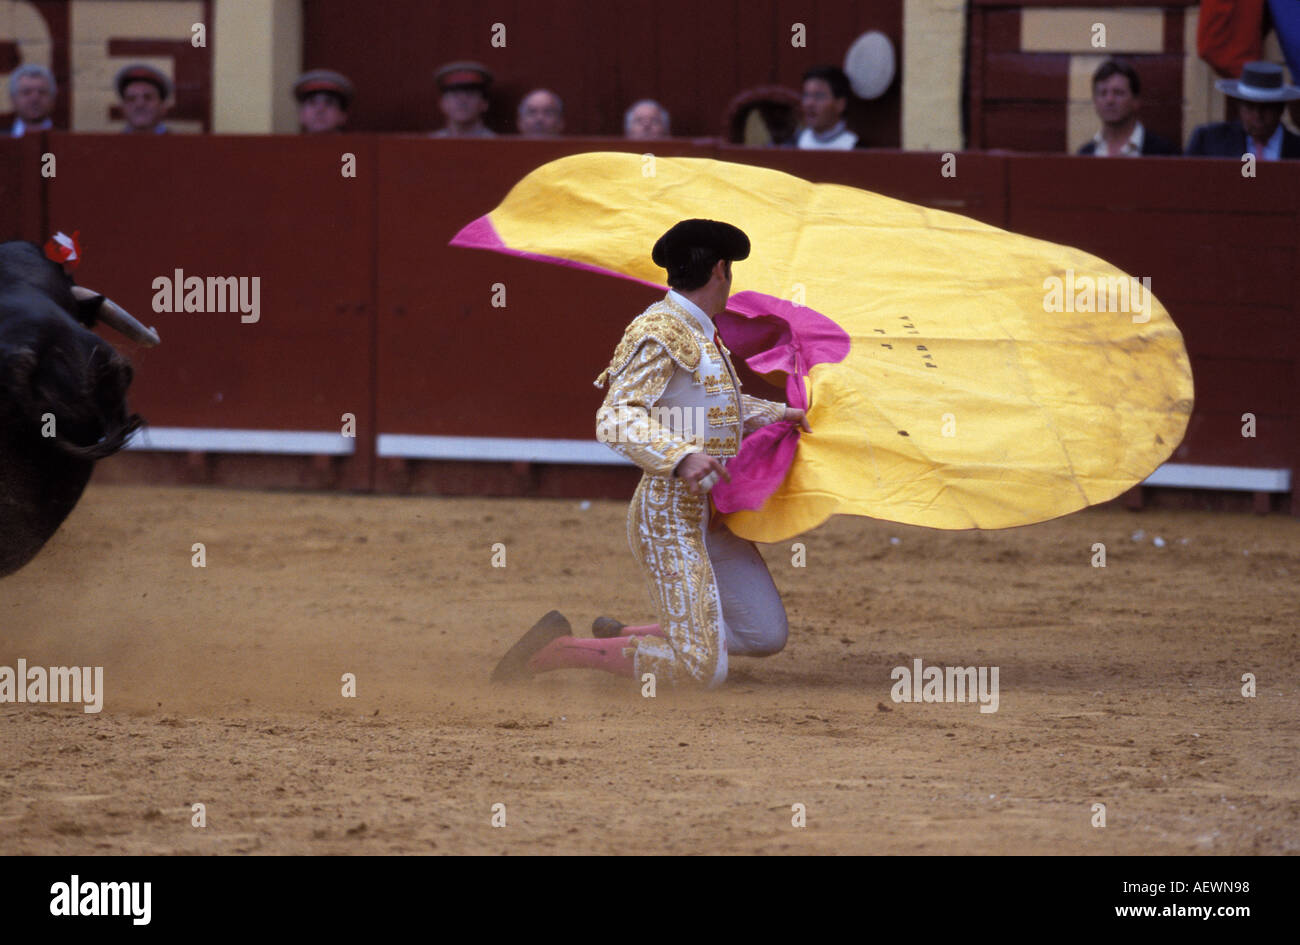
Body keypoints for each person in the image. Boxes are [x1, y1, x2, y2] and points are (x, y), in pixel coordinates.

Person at [492, 220, 809, 688]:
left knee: (762, 634)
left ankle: (624, 635)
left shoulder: (700, 333)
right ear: (721, 270)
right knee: (702, 670)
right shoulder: (661, 330)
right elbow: (615, 417)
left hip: (712, 513)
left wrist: (783, 413)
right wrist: (681, 457)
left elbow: (718, 407)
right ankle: (557, 649)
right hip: (667, 517)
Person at [1186, 60, 1300, 159]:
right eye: (1250, 107)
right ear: (1239, 107)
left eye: (1266, 107)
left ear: (1280, 109)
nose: (1257, 115)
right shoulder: (1208, 141)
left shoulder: (1296, 148)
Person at [1077, 59, 1179, 156]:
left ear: (1136, 101)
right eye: (1103, 93)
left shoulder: (1164, 152)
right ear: (1095, 101)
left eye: (1118, 93)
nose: (1109, 100)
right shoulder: (1085, 153)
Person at [796, 65, 858, 149]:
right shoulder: (796, 142)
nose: (809, 103)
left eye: (819, 96)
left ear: (840, 104)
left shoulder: (854, 146)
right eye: (806, 96)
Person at [431, 61, 495, 137]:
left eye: (470, 94)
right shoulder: (427, 145)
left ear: (484, 103)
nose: (462, 101)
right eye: (455, 95)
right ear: (442, 103)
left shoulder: (499, 145)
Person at [115, 64, 172, 134]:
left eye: (148, 98)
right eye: (131, 99)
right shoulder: (108, 144)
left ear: (163, 106)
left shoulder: (180, 144)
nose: (139, 104)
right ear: (122, 108)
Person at [293, 69, 353, 134]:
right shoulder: (288, 144)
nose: (320, 109)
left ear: (342, 115)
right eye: (312, 102)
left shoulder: (356, 144)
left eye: (329, 103)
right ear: (302, 114)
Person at [5, 64, 56, 137]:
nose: (35, 98)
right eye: (26, 92)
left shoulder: (69, 142)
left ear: (52, 99)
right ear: (13, 99)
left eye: (42, 92)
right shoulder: (2, 140)